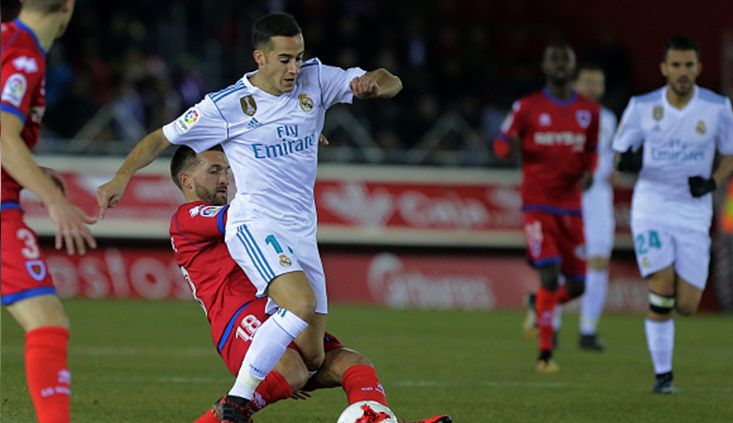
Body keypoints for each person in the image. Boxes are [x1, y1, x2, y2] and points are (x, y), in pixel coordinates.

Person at [96, 11, 402, 409]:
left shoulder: (317, 79)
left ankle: (370, 415)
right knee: (300, 305)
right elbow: (160, 137)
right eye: (285, 59)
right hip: (256, 223)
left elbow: (391, 81)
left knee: (312, 357)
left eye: (299, 56)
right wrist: (121, 177)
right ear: (259, 57)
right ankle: (237, 402)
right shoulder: (227, 106)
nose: (295, 68)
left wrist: (373, 83)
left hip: (301, 232)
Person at [168, 145, 449, 423]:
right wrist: (286, 154)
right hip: (238, 320)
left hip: (280, 311)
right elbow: (239, 215)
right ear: (186, 180)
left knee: (354, 365)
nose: (225, 179)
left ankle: (379, 421)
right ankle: (223, 413)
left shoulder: (238, 217)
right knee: (292, 372)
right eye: (214, 171)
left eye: (227, 170)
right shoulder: (187, 218)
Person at [612, 35, 733, 394]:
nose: (682, 72)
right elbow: (619, 154)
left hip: (692, 211)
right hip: (651, 207)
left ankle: (664, 349)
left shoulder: (717, 107)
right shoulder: (642, 106)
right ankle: (663, 376)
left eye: (689, 66)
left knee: (686, 305)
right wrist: (629, 161)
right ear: (664, 68)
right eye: (676, 65)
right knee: (662, 286)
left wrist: (713, 182)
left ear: (698, 68)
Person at [1, 1, 98, 422]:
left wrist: (30, 169)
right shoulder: (23, 55)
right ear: (69, 6)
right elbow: (3, 137)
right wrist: (54, 200)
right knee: (47, 321)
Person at [494, 42, 599, 373]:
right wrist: (509, 149)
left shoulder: (589, 111)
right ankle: (545, 353)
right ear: (544, 65)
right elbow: (500, 144)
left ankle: (539, 307)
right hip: (538, 204)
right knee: (550, 275)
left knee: (579, 285)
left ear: (573, 65)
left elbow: (592, 152)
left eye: (565, 59)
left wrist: (589, 175)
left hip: (572, 208)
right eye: (554, 59)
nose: (559, 64)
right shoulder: (527, 107)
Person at [575, 63, 618, 351]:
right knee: (564, 262)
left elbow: (612, 157)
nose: (592, 87)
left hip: (599, 196)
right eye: (587, 81)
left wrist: (604, 172)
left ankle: (587, 330)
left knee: (599, 261)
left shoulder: (609, 119)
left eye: (597, 83)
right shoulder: (562, 112)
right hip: (568, 194)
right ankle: (550, 326)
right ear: (577, 83)